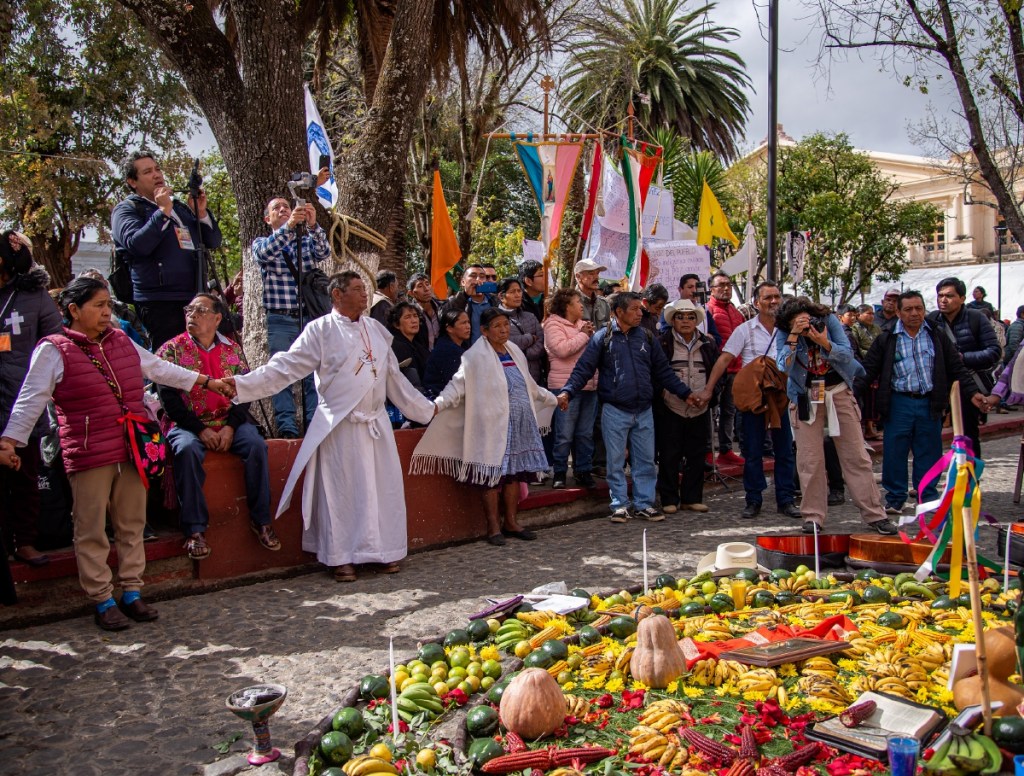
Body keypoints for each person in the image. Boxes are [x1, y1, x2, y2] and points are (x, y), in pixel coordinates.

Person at [0, 277, 230, 630]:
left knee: (131, 523)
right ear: (74, 310)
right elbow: (31, 399)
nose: (107, 312)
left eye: (108, 304)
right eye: (98, 306)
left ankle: (132, 592)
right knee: (91, 527)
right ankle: (102, 598)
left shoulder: (121, 340)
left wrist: (205, 381)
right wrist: (10, 442)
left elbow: (159, 368)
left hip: (131, 446)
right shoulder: (53, 349)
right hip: (89, 449)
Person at [222, 271, 436, 583]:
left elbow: (394, 380)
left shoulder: (377, 329)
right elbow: (285, 367)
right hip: (340, 425)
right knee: (341, 493)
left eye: (365, 289)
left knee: (380, 490)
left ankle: (383, 551)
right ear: (336, 295)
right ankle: (341, 558)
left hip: (375, 424)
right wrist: (242, 384)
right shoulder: (319, 330)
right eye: (357, 289)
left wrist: (428, 410)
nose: (365, 295)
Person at [411, 307, 555, 545]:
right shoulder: (474, 357)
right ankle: (493, 528)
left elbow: (530, 386)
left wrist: (553, 399)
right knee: (491, 477)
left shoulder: (515, 351)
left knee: (513, 476)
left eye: (506, 325)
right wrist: (435, 406)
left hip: (519, 424)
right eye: (497, 326)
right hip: (492, 427)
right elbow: (458, 385)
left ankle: (511, 522)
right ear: (484, 331)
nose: (503, 330)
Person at [557, 292, 701, 523]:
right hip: (614, 410)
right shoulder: (602, 338)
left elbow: (663, 372)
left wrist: (686, 394)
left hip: (644, 409)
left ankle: (644, 504)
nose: (639, 313)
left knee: (645, 460)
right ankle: (619, 505)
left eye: (640, 309)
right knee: (615, 462)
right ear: (618, 312)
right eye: (634, 309)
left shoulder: (646, 336)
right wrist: (567, 391)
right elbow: (584, 369)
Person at [156, 294, 280, 560]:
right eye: (189, 310)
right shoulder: (171, 350)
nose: (192, 315)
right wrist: (200, 430)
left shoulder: (233, 350)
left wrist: (230, 428)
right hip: (188, 424)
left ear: (217, 318)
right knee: (186, 451)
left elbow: (245, 392)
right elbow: (169, 400)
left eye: (200, 310)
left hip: (227, 421)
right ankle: (195, 530)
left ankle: (262, 520)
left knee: (256, 446)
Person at [858, 291, 987, 515]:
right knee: (895, 451)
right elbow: (868, 370)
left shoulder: (936, 335)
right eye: (908, 309)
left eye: (919, 308)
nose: (915, 313)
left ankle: (926, 495)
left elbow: (956, 367)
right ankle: (895, 497)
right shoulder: (887, 338)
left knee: (929, 450)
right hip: (898, 402)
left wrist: (973, 392)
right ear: (898, 312)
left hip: (929, 402)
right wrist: (851, 394)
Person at [774, 297, 895, 534]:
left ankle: (875, 514)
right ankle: (813, 517)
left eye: (806, 319)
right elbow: (783, 366)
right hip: (805, 396)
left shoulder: (828, 321)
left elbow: (847, 355)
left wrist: (822, 340)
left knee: (856, 455)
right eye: (797, 321)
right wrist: (794, 336)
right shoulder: (785, 331)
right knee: (810, 459)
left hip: (838, 391)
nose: (804, 323)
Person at [695, 282, 801, 520]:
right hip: (753, 396)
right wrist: (709, 389)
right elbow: (724, 359)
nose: (774, 301)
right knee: (752, 450)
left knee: (784, 451)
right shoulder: (745, 329)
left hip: (781, 397)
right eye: (768, 298)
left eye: (777, 297)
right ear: (756, 303)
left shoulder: (789, 330)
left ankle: (786, 498)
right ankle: (753, 499)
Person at [111, 151, 223, 350]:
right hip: (160, 300)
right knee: (171, 361)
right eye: (147, 172)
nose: (157, 175)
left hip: (193, 295)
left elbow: (213, 241)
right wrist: (162, 212)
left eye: (157, 169)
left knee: (199, 359)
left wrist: (202, 212)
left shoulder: (179, 207)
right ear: (132, 181)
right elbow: (138, 245)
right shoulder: (127, 209)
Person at [0, 232, 62, 567]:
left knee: (25, 477)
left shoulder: (33, 295)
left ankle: (24, 541)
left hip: (22, 399)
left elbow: (56, 343)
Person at [252, 189, 331, 438]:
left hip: (307, 317)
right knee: (280, 372)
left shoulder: (305, 241)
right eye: (277, 208)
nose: (284, 210)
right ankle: (286, 426)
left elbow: (323, 252)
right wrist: (288, 228)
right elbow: (265, 254)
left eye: (287, 206)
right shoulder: (261, 243)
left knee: (310, 373)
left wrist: (313, 223)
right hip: (280, 318)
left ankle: (311, 421)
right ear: (268, 219)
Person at [655, 299, 719, 513]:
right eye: (680, 317)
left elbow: (718, 374)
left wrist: (708, 395)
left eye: (690, 317)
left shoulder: (708, 344)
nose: (685, 321)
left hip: (700, 407)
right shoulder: (662, 342)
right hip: (671, 406)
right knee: (669, 454)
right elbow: (658, 374)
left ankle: (692, 497)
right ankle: (669, 499)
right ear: (672, 320)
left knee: (696, 454)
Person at [927, 277, 1001, 456]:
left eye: (949, 296)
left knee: (968, 436)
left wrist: (962, 358)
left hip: (967, 385)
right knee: (930, 436)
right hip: (938, 386)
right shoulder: (931, 320)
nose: (943, 300)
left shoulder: (976, 318)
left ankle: (970, 479)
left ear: (962, 298)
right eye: (940, 296)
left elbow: (994, 352)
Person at [543, 289, 597, 489]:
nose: (581, 305)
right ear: (567, 306)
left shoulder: (585, 326)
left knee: (585, 433)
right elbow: (562, 350)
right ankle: (559, 472)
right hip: (564, 386)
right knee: (564, 433)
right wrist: (584, 336)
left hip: (589, 386)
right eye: (577, 301)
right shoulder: (552, 324)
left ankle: (583, 470)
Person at [705, 272, 745, 466]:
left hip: (736, 369)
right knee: (710, 411)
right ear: (711, 289)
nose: (726, 288)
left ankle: (726, 449)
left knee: (729, 411)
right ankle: (707, 450)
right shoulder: (707, 311)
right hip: (715, 370)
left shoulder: (736, 312)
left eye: (728, 284)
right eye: (721, 285)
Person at [496, 277, 544, 384]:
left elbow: (541, 341)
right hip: (509, 378)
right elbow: (505, 342)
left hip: (534, 377)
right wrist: (530, 338)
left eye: (519, 291)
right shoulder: (494, 319)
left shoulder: (530, 317)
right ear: (501, 296)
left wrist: (528, 353)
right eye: (512, 292)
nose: (518, 295)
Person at [440, 264, 495, 344]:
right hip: (468, 353)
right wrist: (465, 295)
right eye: (473, 276)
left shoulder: (494, 301)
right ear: (463, 282)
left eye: (482, 276)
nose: (478, 280)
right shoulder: (456, 301)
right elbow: (442, 317)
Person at [423, 309, 471, 398]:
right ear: (449, 328)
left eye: (468, 322)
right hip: (441, 399)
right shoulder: (445, 350)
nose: (468, 326)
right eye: (463, 323)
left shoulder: (463, 345)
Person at [388, 301, 430, 389]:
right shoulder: (397, 347)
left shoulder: (417, 344)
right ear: (396, 324)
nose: (414, 321)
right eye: (407, 317)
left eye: (415, 316)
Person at [677, 274, 721, 345]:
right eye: (690, 287)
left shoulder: (704, 310)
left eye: (696, 287)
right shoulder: (671, 309)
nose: (694, 290)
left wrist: (710, 338)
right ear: (680, 289)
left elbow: (717, 338)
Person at [406, 273, 440, 351]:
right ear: (411, 293)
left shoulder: (443, 308)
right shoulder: (409, 315)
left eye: (427, 284)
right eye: (420, 286)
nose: (426, 289)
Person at [574, 259, 611, 329]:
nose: (597, 277)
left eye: (597, 273)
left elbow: (607, 333)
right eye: (591, 273)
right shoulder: (568, 303)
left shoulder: (604, 304)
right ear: (578, 276)